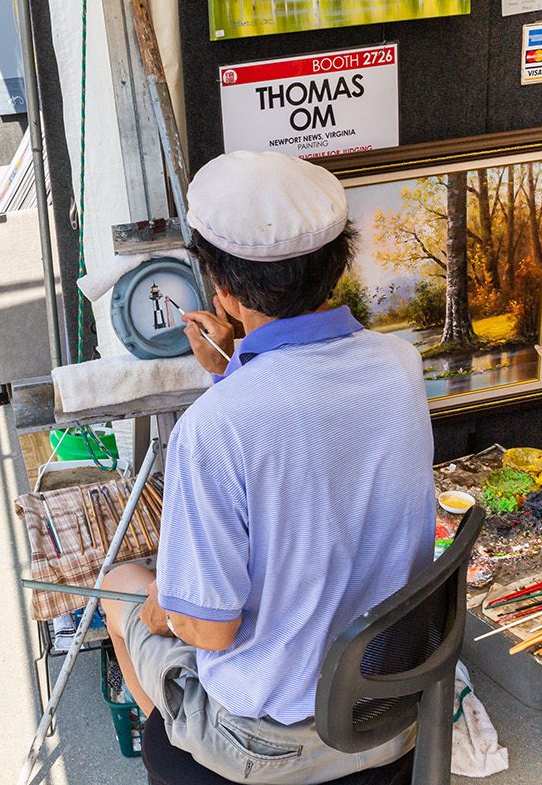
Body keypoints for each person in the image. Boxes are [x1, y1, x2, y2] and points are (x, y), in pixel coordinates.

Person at [102, 151, 435, 784]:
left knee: (123, 585)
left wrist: (161, 610)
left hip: (272, 746)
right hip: (387, 710)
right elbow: (312, 432)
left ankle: (174, 748)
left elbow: (210, 629)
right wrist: (234, 370)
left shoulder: (214, 427)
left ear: (221, 289)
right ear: (336, 264)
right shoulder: (400, 365)